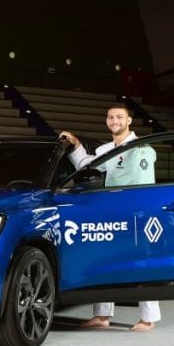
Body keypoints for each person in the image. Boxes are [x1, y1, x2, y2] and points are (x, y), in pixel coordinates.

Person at [59, 103, 160, 332]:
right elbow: (87, 166)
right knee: (105, 262)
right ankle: (102, 316)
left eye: (119, 117)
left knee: (140, 264)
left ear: (129, 121)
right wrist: (76, 145)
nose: (114, 121)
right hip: (112, 212)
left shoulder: (141, 148)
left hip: (137, 212)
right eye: (110, 117)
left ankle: (148, 318)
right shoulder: (107, 149)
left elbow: (143, 186)